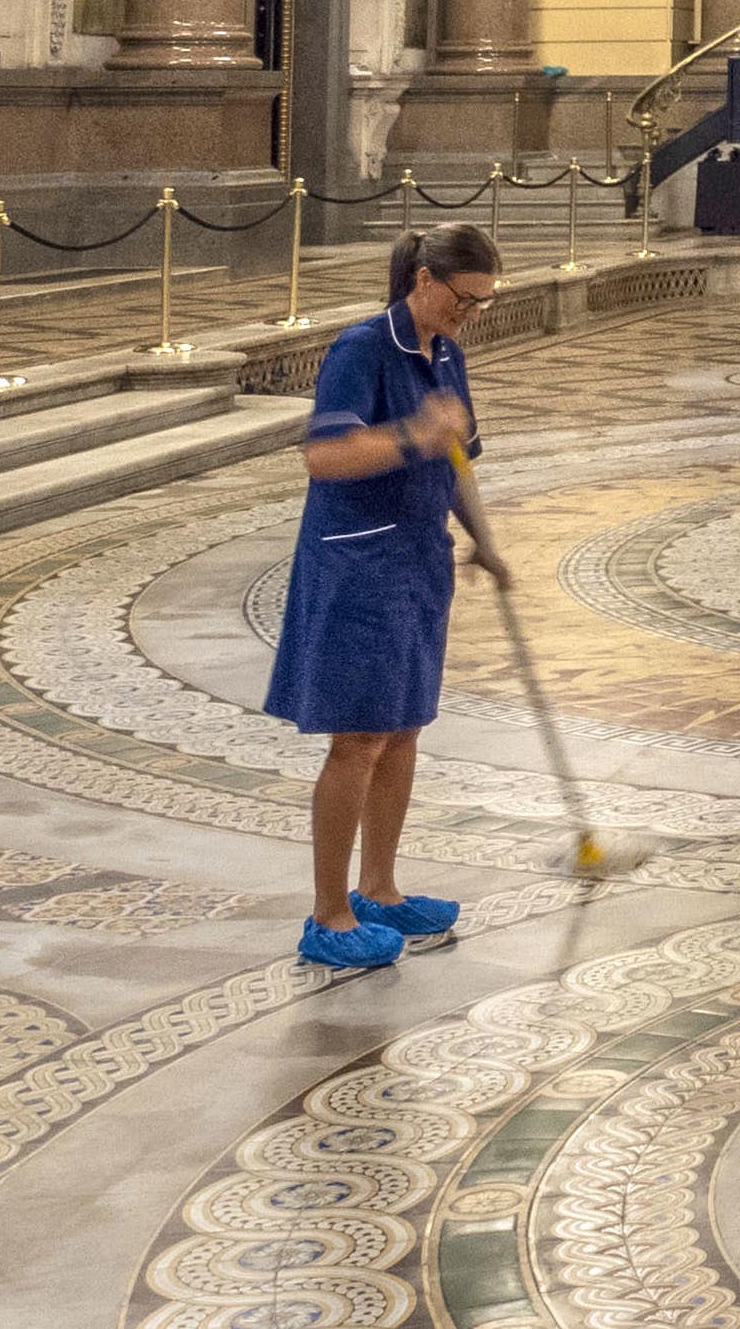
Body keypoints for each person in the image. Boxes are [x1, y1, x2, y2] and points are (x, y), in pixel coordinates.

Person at [264, 221, 509, 970]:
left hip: (417, 557)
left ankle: (380, 888)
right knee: (360, 736)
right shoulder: (361, 348)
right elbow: (325, 454)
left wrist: (482, 536)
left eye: (482, 304)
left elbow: (458, 457)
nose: (470, 314)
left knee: (403, 728)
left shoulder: (449, 355)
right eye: (465, 299)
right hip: (356, 565)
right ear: (425, 278)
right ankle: (329, 915)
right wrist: (413, 436)